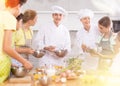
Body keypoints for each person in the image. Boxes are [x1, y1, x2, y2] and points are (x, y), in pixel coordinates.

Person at [0, 0, 33, 83]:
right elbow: (6, 48)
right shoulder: (10, 18)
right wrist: (24, 62)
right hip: (2, 65)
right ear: (18, 6)